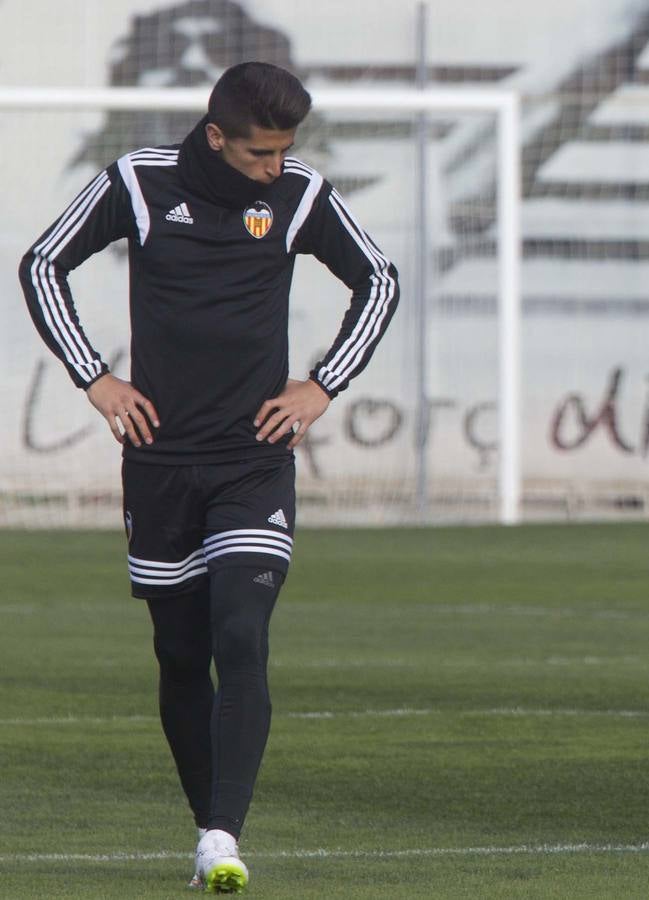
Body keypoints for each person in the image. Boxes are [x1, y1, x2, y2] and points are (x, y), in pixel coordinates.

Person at [18, 62, 399, 891]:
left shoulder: (298, 194)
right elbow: (41, 264)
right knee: (181, 655)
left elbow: (381, 279)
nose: (277, 167)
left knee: (240, 634)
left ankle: (224, 836)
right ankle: (208, 829)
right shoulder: (139, 182)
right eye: (262, 153)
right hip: (157, 464)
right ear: (217, 136)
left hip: (252, 461)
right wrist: (96, 377)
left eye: (287, 150)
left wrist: (320, 384)